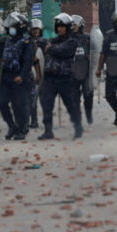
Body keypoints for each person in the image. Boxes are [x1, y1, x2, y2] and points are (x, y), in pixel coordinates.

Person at [39, 13, 82, 141]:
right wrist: (44, 45)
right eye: (58, 27)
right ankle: (48, 130)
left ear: (68, 27)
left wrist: (49, 48)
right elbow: (47, 50)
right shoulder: (53, 41)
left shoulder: (73, 42)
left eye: (63, 27)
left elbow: (62, 51)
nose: (60, 29)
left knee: (71, 105)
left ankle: (78, 127)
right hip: (50, 78)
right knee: (46, 104)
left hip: (65, 79)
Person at [0, 12, 35, 140]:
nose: (10, 28)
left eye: (13, 26)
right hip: (6, 77)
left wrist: (22, 76)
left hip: (19, 78)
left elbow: (28, 61)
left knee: (19, 105)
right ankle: (12, 126)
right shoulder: (7, 41)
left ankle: (22, 129)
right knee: (1, 102)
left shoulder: (27, 42)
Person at [71, 15, 94, 125]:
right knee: (74, 97)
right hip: (72, 71)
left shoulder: (88, 37)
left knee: (88, 94)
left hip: (86, 70)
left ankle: (89, 115)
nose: (73, 27)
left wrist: (92, 56)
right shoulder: (67, 39)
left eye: (75, 25)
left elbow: (95, 50)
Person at [28, 18, 48, 128]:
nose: (36, 31)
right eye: (34, 29)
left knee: (44, 99)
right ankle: (34, 120)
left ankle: (46, 119)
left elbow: (47, 56)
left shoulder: (44, 42)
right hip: (32, 72)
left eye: (37, 29)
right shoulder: (27, 42)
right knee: (32, 99)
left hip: (43, 73)